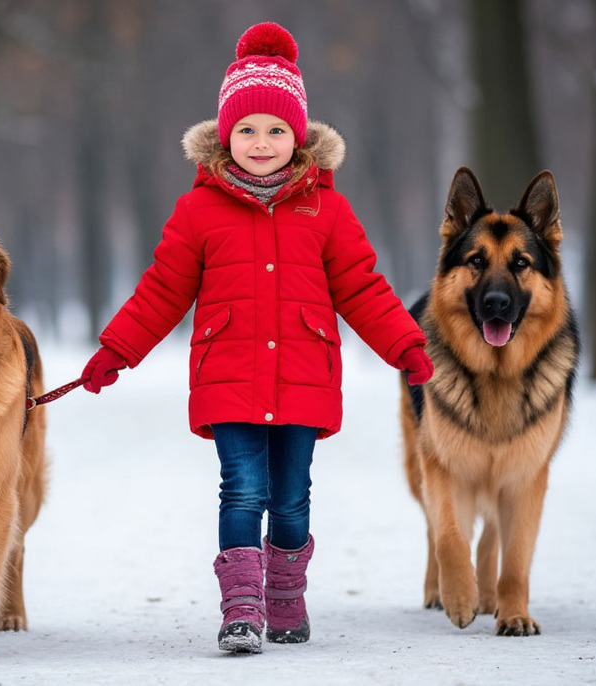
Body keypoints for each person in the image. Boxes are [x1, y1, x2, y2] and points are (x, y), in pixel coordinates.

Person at [80, 22, 432, 654]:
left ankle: (286, 596)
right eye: (246, 129)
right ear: (224, 136)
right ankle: (241, 611)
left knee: (292, 499)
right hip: (229, 376)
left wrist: (405, 345)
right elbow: (162, 290)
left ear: (298, 136)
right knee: (241, 490)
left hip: (304, 376)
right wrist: (117, 350)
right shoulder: (199, 211)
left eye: (275, 130)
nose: (261, 143)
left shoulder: (327, 210)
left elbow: (361, 287)